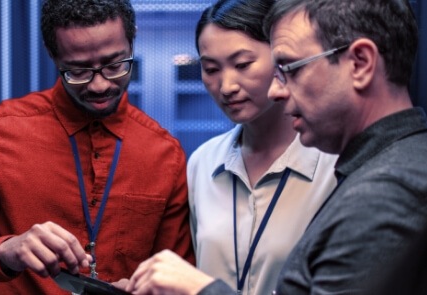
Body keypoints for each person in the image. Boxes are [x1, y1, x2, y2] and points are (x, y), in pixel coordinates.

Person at [0, 0, 195, 294]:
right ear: (53, 55)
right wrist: (6, 252)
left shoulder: (165, 154)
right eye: (78, 70)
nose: (99, 85)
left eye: (115, 65)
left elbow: (178, 278)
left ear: (132, 41)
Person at [123, 0, 337, 294]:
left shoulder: (333, 163)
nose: (226, 86)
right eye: (211, 69)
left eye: (242, 65)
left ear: (281, 58)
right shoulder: (203, 162)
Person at [264, 0, 427, 294]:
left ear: (360, 63)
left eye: (290, 69)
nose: (274, 91)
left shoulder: (389, 189)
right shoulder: (390, 164)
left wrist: (204, 291)